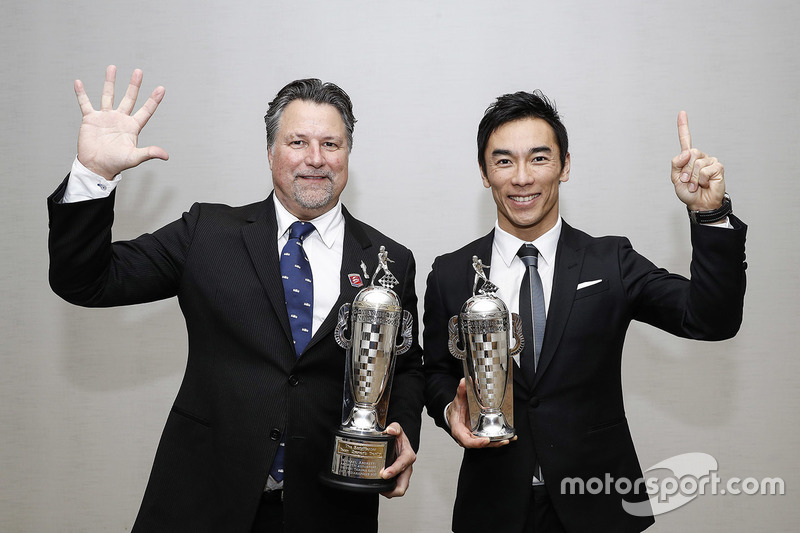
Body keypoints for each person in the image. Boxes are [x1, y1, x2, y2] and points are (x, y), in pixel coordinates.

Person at [47, 66, 424, 533]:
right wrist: (93, 176)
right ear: (270, 152)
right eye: (297, 142)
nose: (315, 158)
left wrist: (403, 427)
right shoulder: (207, 233)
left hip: (331, 509)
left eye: (331, 144)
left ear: (348, 153)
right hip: (202, 502)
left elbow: (406, 365)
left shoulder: (391, 261)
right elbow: (86, 281)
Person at [422, 90, 747, 532]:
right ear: (484, 173)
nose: (522, 178)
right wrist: (449, 411)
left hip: (600, 503)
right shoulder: (450, 272)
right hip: (492, 507)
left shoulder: (609, 261)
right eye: (503, 161)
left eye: (539, 158)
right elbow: (436, 373)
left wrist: (710, 216)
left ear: (565, 166)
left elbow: (711, 320)